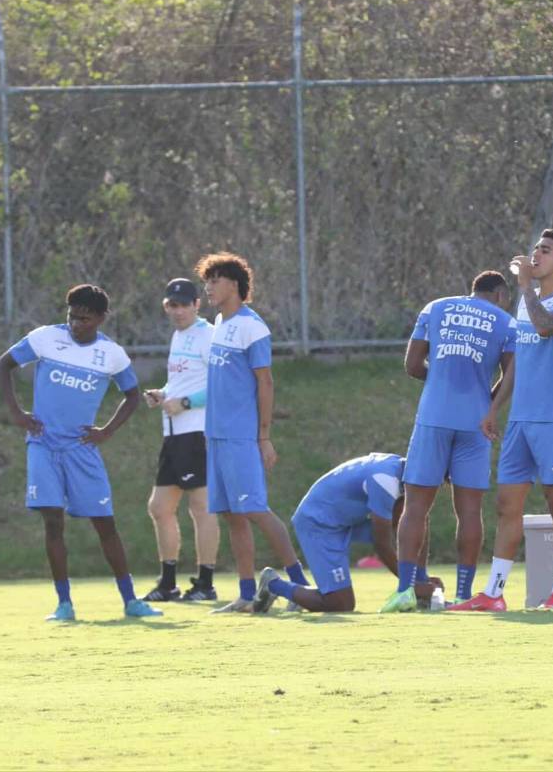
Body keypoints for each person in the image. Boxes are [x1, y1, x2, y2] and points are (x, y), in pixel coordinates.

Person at [0, 284, 162, 620]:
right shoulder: (44, 338)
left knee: (105, 524)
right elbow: (3, 365)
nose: (75, 323)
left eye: (84, 318)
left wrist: (107, 431)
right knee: (53, 524)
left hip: (82, 450)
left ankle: (131, 601)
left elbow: (131, 395)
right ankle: (64, 604)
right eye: (72, 316)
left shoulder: (112, 354)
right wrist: (17, 413)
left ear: (101, 318)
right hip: (42, 445)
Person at [449, 229, 553, 612]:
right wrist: (494, 407)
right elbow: (519, 363)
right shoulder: (527, 303)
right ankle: (494, 594)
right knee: (507, 505)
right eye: (534, 250)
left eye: (545, 251)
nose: (535, 256)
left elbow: (546, 327)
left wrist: (526, 286)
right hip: (520, 422)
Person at [381, 271, 517, 613]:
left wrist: (439, 377)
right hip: (476, 421)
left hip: (434, 417)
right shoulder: (506, 322)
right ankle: (462, 593)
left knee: (415, 507)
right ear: (500, 294)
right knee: (469, 510)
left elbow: (412, 365)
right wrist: (488, 401)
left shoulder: (435, 308)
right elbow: (512, 375)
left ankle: (404, 591)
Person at [195, 252, 310, 614]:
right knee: (232, 515)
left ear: (235, 284)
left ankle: (302, 588)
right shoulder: (219, 322)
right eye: (207, 280)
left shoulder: (251, 325)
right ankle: (246, 594)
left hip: (242, 436)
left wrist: (263, 436)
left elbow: (266, 382)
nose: (208, 287)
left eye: (215, 280)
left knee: (257, 510)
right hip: (216, 436)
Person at [254, 454, 440, 613]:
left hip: (344, 519)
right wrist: (410, 586)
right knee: (340, 603)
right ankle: (274, 585)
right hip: (319, 523)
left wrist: (421, 579)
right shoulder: (385, 480)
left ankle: (418, 582)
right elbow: (381, 544)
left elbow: (413, 526)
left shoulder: (400, 470)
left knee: (415, 518)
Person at [140, 278, 219, 602]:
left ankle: (205, 583)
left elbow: (220, 385)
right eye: (173, 305)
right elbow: (182, 380)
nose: (178, 310)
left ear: (197, 304)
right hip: (173, 434)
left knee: (201, 508)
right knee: (159, 508)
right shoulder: (178, 335)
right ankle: (168, 583)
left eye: (185, 304)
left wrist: (185, 403)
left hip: (196, 433)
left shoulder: (207, 335)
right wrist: (164, 393)